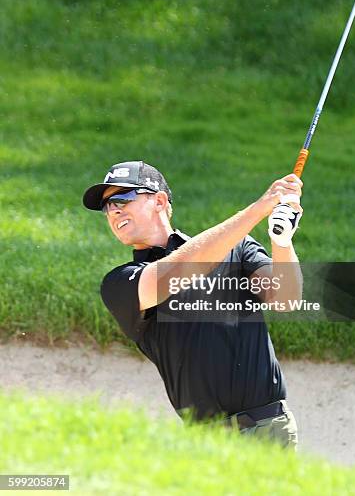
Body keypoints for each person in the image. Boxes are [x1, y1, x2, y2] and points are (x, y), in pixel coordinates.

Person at [83, 160, 303, 448]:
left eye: (123, 198)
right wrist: (258, 209)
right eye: (107, 206)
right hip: (205, 443)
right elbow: (175, 272)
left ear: (159, 201)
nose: (114, 210)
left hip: (268, 430)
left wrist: (282, 242)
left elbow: (286, 299)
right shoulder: (120, 283)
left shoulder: (238, 248)